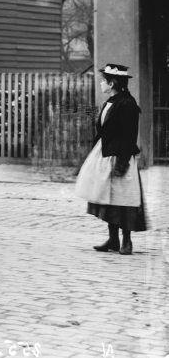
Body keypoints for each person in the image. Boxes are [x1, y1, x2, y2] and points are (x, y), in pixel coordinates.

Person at [74, 63, 148, 255]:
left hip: (120, 156)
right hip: (105, 155)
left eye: (103, 81)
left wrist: (122, 162)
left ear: (112, 82)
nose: (100, 84)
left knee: (123, 198)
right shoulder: (110, 102)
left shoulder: (127, 105)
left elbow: (129, 135)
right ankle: (113, 240)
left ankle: (127, 241)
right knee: (107, 198)